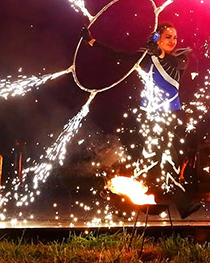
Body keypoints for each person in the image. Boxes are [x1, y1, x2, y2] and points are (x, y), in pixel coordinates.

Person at [82, 21, 202, 218]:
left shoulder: (179, 58)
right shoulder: (146, 58)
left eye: (175, 37)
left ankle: (116, 197)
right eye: (167, 37)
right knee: (165, 161)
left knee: (154, 162)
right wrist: (91, 41)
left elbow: (175, 64)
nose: (173, 41)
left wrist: (156, 51)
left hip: (169, 117)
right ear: (157, 38)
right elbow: (118, 55)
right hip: (152, 117)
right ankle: (182, 205)